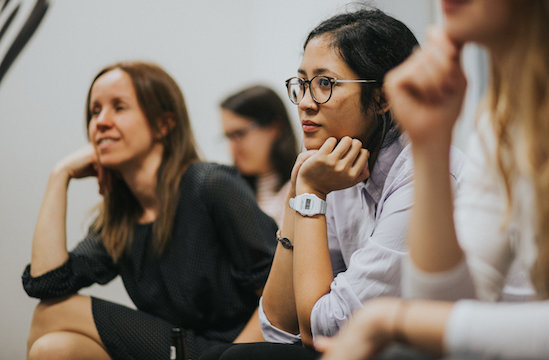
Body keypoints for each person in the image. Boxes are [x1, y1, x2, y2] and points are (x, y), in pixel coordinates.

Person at [316, 0, 549, 359]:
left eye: (323, 83)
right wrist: (430, 143)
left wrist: (391, 320)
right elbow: (445, 304)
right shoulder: (503, 118)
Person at [201, 8, 465, 360]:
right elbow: (278, 324)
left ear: (383, 98)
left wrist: (310, 194)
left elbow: (323, 329)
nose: (306, 103)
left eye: (325, 84)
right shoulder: (339, 166)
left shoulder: (423, 177)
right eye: (303, 84)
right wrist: (301, 188)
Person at [22, 61, 277, 360]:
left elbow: (277, 293)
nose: (101, 122)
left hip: (233, 352)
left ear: (163, 124)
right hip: (178, 350)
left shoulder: (209, 184)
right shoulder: (120, 220)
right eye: (95, 111)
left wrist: (233, 357)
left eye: (119, 107)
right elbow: (47, 283)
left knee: (53, 314)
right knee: (51, 349)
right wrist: (59, 176)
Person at [220, 85, 298, 226]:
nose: (232, 148)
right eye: (228, 137)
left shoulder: (303, 188)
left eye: (239, 134)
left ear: (275, 127)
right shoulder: (230, 195)